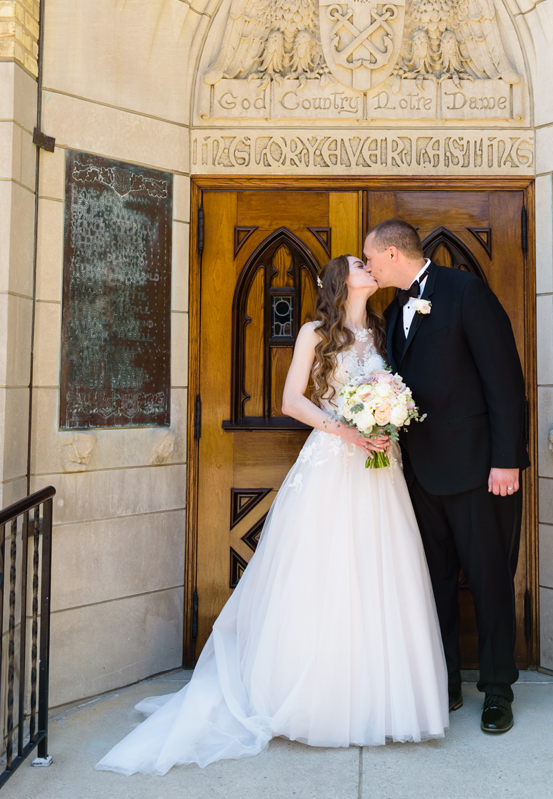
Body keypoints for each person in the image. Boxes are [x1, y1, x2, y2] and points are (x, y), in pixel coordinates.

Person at [97, 255, 447, 775]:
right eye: (359, 264)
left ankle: (378, 694)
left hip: (380, 466)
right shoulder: (314, 332)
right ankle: (313, 697)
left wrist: (385, 414)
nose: (370, 268)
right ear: (340, 280)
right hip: (334, 458)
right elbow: (291, 400)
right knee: (325, 572)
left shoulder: (380, 330)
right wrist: (347, 429)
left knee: (380, 571)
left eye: (371, 263)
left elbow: (395, 388)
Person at [364, 218, 528, 735]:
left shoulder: (465, 292)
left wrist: (506, 460)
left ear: (392, 253)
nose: (367, 267)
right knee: (432, 584)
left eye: (370, 258)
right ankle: (445, 681)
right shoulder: (393, 312)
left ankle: (498, 690)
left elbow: (505, 381)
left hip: (481, 470)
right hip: (420, 473)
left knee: (489, 580)